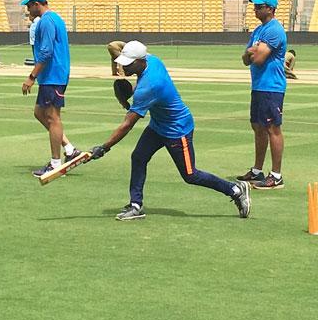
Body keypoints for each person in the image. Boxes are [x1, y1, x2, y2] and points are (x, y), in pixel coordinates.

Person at [88, 40, 251, 221]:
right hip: (158, 125)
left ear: (140, 62)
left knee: (190, 175)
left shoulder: (149, 86)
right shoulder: (151, 60)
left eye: (129, 64)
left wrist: (105, 147)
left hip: (177, 130)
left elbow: (127, 124)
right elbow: (115, 47)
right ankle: (136, 205)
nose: (124, 67)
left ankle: (235, 190)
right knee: (139, 157)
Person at [20, 0, 81, 177]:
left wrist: (31, 77)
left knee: (53, 118)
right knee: (39, 113)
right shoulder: (55, 18)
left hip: (53, 75)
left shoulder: (46, 21)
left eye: (29, 6)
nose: (27, 10)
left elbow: (46, 52)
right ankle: (70, 149)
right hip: (53, 75)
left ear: (36, 4)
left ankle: (55, 163)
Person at [237, 0, 287, 190]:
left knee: (272, 128)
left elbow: (257, 59)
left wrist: (252, 53)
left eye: (260, 6)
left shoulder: (274, 30)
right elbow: (245, 58)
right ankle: (257, 171)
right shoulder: (258, 30)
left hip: (271, 87)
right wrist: (250, 51)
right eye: (255, 6)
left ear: (271, 8)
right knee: (258, 127)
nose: (255, 9)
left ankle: (275, 175)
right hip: (258, 86)